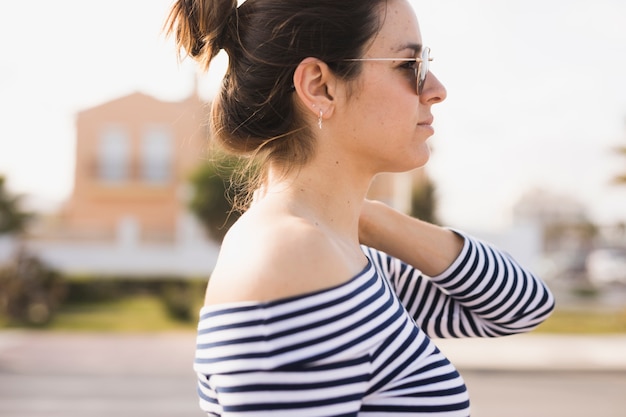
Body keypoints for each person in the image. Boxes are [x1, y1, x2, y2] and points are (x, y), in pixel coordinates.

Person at [166, 0, 555, 415]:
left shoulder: (339, 251)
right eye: (410, 65)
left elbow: (522, 307)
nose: (437, 89)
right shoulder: (295, 258)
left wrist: (363, 215)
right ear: (320, 86)